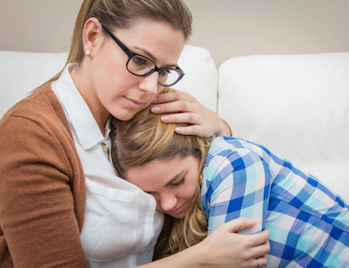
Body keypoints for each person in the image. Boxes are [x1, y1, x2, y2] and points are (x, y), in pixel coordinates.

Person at [0, 0, 270, 267]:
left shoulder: (143, 109)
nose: (151, 88)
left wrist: (219, 127)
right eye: (140, 60)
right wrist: (199, 259)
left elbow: (195, 158)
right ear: (92, 37)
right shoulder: (30, 137)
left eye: (164, 71)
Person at [111, 87, 349, 267]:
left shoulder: (234, 163)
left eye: (176, 181)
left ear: (199, 150)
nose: (168, 203)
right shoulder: (181, 210)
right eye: (150, 194)